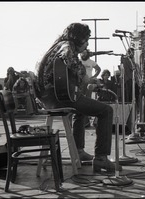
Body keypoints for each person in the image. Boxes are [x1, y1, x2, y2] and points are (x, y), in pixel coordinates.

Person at [35, 22, 119, 172]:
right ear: (78, 38)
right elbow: (69, 57)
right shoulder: (67, 46)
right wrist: (86, 77)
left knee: (80, 111)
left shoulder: (57, 46)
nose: (86, 44)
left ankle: (78, 151)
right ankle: (101, 158)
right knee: (106, 111)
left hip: (50, 98)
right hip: (60, 98)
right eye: (86, 39)